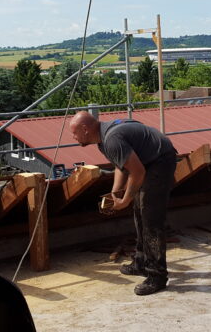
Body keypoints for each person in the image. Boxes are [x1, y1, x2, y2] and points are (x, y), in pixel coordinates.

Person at [69, 111, 178, 295]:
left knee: (151, 219)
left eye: (74, 133)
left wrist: (125, 200)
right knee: (139, 211)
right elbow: (122, 166)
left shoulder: (111, 140)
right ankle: (141, 262)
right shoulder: (103, 139)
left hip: (160, 161)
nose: (73, 137)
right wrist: (115, 193)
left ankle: (157, 276)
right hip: (149, 160)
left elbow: (137, 172)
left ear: (85, 129)